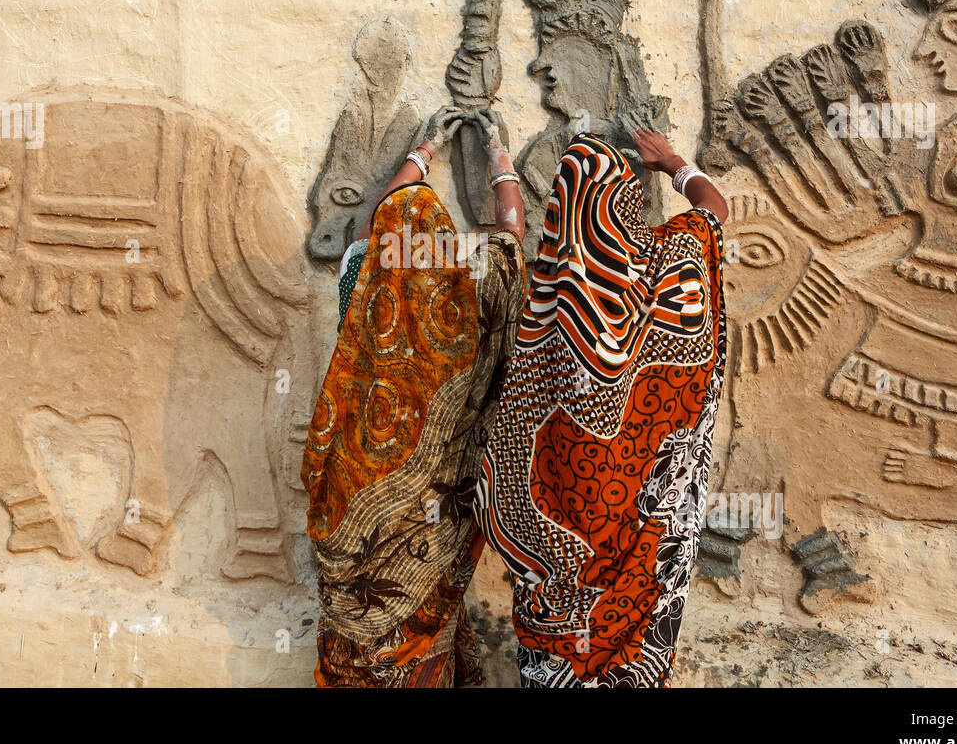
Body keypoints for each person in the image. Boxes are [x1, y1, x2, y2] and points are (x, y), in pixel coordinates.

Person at [475, 122, 728, 687]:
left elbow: (509, 465)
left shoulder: (545, 308)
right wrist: (672, 163)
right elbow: (714, 209)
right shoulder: (672, 265)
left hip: (562, 554)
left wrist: (501, 169)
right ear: (628, 209)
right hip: (643, 548)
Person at [302, 105, 527, 687]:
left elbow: (387, 210)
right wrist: (498, 153)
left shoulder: (367, 277)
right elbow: (511, 233)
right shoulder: (476, 288)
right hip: (438, 506)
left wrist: (424, 151)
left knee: (360, 631)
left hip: (356, 492)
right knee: (426, 616)